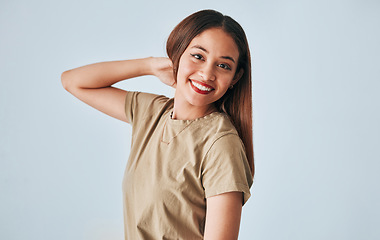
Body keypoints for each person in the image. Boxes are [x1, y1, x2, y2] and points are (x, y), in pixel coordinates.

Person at [62, 9, 254, 240]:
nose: (206, 73)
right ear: (177, 53)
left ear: (235, 78)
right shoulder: (151, 113)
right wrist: (150, 65)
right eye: (198, 56)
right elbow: (73, 81)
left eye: (223, 66)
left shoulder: (221, 144)